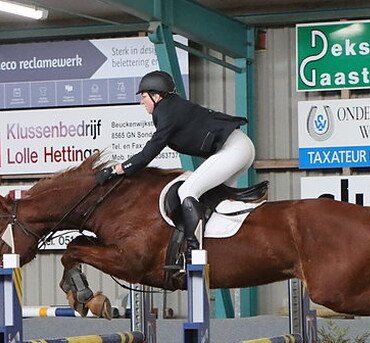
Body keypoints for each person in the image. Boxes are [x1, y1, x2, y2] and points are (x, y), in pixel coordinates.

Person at [97, 70, 255, 261]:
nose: (142, 102)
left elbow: (149, 153)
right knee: (211, 197)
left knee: (187, 190)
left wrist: (117, 169)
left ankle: (193, 251)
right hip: (239, 148)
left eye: (144, 97)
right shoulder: (171, 107)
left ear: (156, 96)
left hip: (234, 149)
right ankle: (224, 242)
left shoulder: (166, 112)